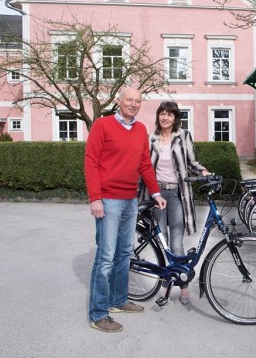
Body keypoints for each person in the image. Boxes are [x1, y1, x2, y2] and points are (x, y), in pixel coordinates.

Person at [84, 87, 167, 333]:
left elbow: (144, 163)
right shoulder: (102, 125)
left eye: (138, 101)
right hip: (108, 200)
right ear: (119, 101)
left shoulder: (140, 130)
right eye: (129, 99)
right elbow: (91, 161)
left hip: (131, 200)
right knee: (106, 258)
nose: (134, 104)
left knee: (123, 255)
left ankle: (118, 301)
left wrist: (155, 192)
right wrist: (95, 198)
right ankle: (98, 314)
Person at [148, 101, 210, 304]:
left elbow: (192, 162)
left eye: (169, 115)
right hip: (156, 195)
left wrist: (203, 171)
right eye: (162, 114)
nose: (165, 118)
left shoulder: (183, 136)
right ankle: (166, 282)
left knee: (176, 243)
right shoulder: (152, 139)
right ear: (158, 116)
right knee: (163, 242)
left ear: (176, 118)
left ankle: (183, 285)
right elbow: (146, 169)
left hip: (176, 195)